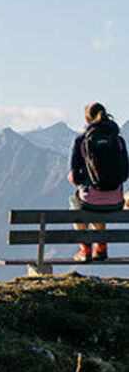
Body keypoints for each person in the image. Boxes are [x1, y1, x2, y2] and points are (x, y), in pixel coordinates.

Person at [68, 102, 129, 262]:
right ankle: (101, 248)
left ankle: (85, 250)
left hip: (90, 202)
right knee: (100, 201)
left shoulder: (82, 141)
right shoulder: (118, 140)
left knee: (78, 202)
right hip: (116, 202)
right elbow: (124, 175)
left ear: (88, 120)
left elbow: (74, 177)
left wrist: (82, 182)